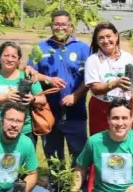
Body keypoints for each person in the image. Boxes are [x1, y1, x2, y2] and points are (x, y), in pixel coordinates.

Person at [24, 10, 90, 169]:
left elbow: (90, 78)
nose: (60, 27)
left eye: (64, 24)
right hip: (48, 111)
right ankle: (56, 181)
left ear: (71, 26)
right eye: (56, 24)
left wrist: (75, 95)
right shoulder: (40, 48)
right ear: (52, 26)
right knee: (52, 153)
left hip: (76, 111)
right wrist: (48, 79)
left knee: (79, 153)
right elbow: (29, 71)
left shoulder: (83, 48)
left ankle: (77, 182)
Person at [83, 22, 133, 192]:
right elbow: (95, 88)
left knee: (123, 148)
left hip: (123, 107)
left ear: (116, 36)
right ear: (96, 41)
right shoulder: (93, 60)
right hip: (101, 107)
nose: (106, 41)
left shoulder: (128, 58)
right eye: (101, 38)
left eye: (109, 36)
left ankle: (122, 188)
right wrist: (114, 83)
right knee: (101, 148)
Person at [0, 41, 46, 145]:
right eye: (6, 55)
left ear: (18, 60)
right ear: (0, 58)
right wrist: (5, 97)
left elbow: (43, 100)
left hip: (24, 131)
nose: (10, 59)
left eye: (14, 56)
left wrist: (33, 99)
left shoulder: (28, 76)